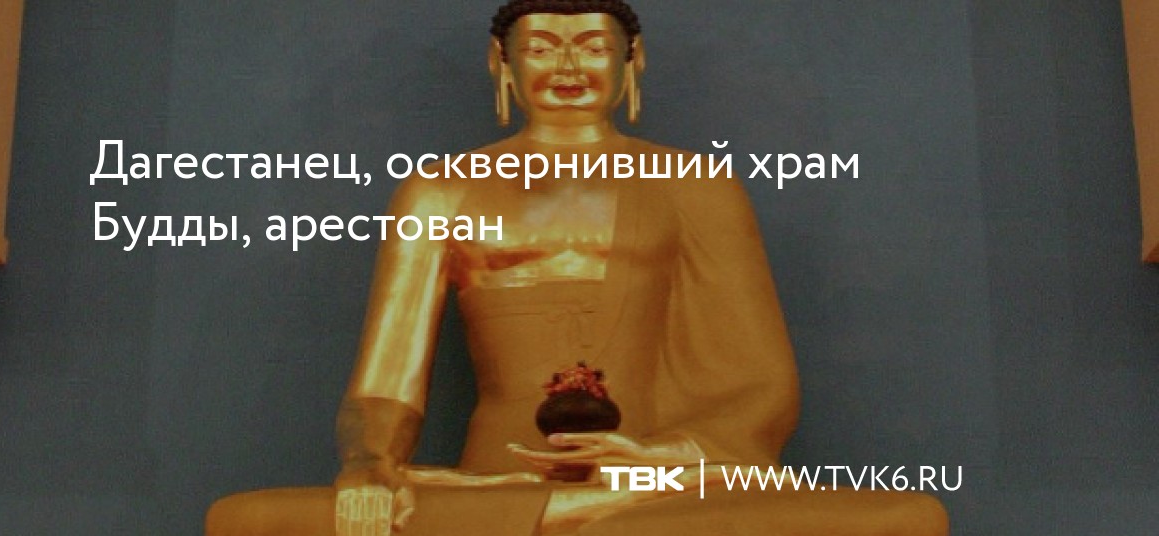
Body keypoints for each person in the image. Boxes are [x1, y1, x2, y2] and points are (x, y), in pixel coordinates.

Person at [206, 1, 949, 534]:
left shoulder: (696, 183)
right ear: (501, 61)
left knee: (906, 516)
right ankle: (559, 513)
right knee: (248, 519)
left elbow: (761, 384)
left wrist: (653, 460)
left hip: (655, 485)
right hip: (495, 481)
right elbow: (384, 382)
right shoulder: (441, 189)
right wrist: (370, 464)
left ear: (633, 59)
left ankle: (576, 513)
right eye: (541, 46)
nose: (567, 66)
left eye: (592, 45)